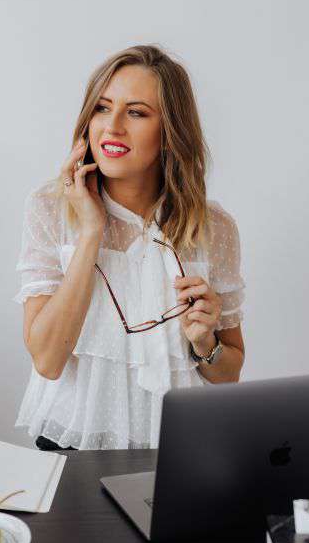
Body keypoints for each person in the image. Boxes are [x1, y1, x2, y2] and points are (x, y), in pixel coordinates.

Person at [12, 44, 246, 451]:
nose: (113, 126)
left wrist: (206, 342)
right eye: (102, 108)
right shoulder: (50, 209)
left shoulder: (214, 228)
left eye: (136, 112)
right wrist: (90, 233)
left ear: (171, 133)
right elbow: (48, 361)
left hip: (181, 446)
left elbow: (228, 374)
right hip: (71, 443)